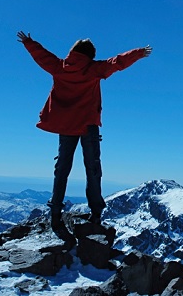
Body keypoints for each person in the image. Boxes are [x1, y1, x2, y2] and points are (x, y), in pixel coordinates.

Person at [17, 31, 152, 231]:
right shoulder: (93, 69)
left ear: (73, 51)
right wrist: (138, 53)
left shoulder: (60, 67)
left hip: (66, 125)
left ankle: (55, 213)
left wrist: (29, 42)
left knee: (62, 168)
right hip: (88, 125)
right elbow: (117, 62)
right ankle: (96, 214)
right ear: (90, 54)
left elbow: (42, 56)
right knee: (93, 169)